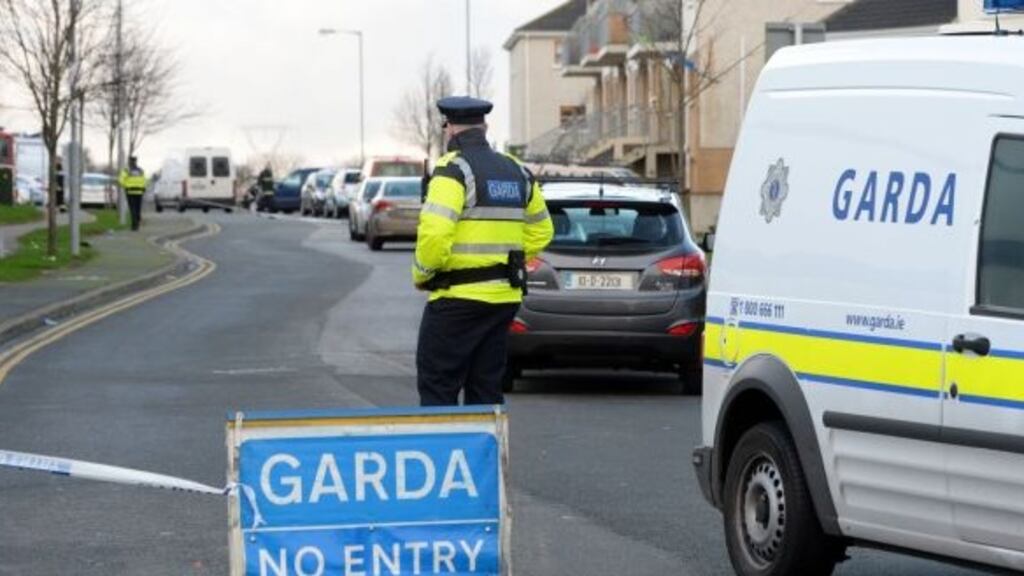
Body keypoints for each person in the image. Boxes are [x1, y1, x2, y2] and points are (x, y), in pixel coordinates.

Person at [412, 96, 554, 406]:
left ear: (449, 129)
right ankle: (484, 455)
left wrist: (423, 273)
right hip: (503, 299)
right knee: (486, 389)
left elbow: (435, 235)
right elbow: (543, 230)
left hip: (456, 300)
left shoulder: (453, 169)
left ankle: (445, 454)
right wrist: (506, 259)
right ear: (484, 127)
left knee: (438, 385)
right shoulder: (516, 171)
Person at [119, 156, 147, 231]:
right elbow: (145, 180)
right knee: (138, 209)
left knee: (132, 209)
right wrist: (143, 187)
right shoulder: (140, 170)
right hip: (139, 191)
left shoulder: (127, 170)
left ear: (130, 162)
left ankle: (134, 225)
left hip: (130, 191)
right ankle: (137, 223)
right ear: (136, 161)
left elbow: (121, 180)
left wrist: (125, 185)